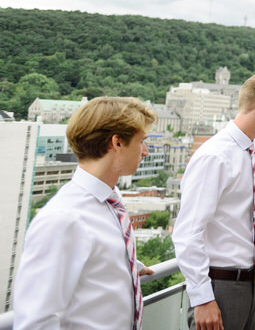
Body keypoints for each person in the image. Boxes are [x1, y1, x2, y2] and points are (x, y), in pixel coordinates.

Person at [14, 97, 157, 330]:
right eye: (142, 141)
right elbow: (36, 320)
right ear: (117, 142)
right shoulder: (64, 218)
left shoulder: (111, 201)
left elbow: (91, 254)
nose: (146, 152)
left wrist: (129, 266)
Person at [173, 72, 255, 330]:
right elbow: (187, 232)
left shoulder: (247, 151)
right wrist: (202, 299)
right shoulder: (216, 156)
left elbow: (230, 214)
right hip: (219, 286)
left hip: (248, 284)